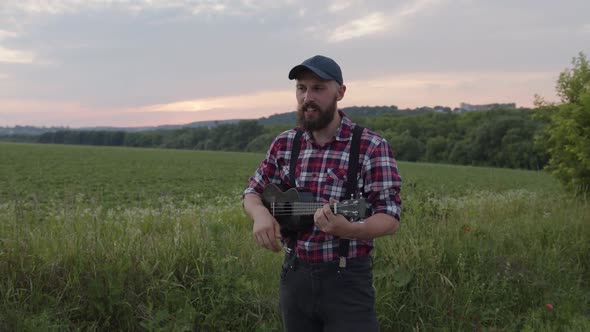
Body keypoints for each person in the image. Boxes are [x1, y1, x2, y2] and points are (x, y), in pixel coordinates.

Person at [243, 55, 402, 331]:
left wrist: (350, 229)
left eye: (318, 88)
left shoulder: (371, 146)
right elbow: (253, 191)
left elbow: (389, 218)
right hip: (294, 276)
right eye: (301, 88)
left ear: (340, 92)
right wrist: (259, 215)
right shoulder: (285, 143)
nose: (307, 97)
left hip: (347, 279)